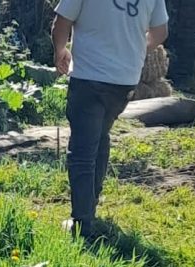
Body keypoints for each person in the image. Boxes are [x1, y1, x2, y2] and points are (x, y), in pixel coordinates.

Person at [52, 0, 168, 241]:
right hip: (124, 80)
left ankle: (82, 222)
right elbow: (160, 32)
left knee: (83, 150)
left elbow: (62, 21)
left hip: (89, 76)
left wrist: (60, 50)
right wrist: (136, 49)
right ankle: (90, 204)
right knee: (101, 135)